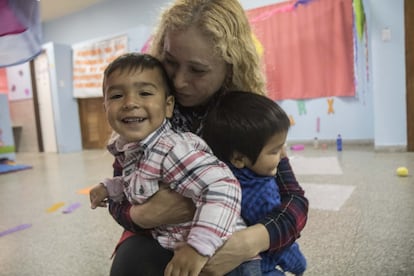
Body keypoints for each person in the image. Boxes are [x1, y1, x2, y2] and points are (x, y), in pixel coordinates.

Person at [90, 0, 309, 275]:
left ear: (230, 66)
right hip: (164, 237)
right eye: (170, 62)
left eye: (197, 70)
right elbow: (123, 190)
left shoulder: (249, 118)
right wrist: (139, 216)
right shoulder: (146, 110)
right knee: (132, 262)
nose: (179, 81)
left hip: (236, 237)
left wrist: (246, 242)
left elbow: (294, 201)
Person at [89, 52, 261, 275]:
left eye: (145, 93)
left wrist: (198, 249)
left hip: (227, 258)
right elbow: (141, 183)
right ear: (105, 108)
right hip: (181, 249)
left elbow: (223, 186)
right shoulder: (133, 150)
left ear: (169, 106)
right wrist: (110, 188)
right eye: (116, 96)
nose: (130, 103)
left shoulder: (172, 149)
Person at [202, 91, 307, 276]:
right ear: (239, 158)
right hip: (257, 267)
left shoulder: (219, 170)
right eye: (274, 151)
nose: (283, 155)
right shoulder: (260, 193)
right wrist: (298, 264)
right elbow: (280, 245)